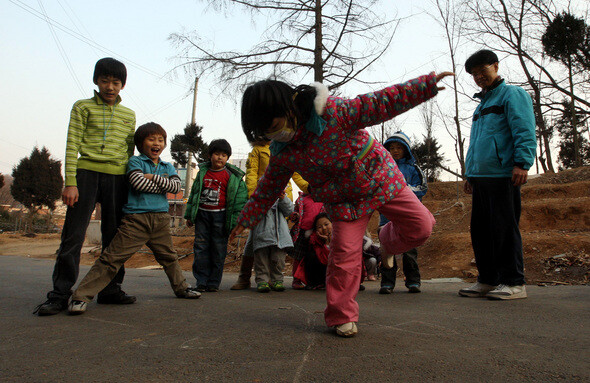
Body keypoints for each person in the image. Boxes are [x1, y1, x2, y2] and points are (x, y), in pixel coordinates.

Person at [231, 70, 453, 337]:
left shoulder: (331, 111)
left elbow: (378, 103)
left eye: (275, 124)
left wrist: (423, 87)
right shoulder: (283, 152)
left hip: (379, 178)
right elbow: (267, 188)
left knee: (422, 226)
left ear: (289, 105)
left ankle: (387, 242)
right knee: (343, 256)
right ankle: (341, 315)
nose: (274, 134)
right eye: (267, 131)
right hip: (343, 200)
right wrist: (246, 219)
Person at [34, 58, 137, 316]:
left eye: (115, 82)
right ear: (96, 81)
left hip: (117, 178)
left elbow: (128, 151)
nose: (110, 87)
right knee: (73, 236)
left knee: (114, 238)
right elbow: (72, 144)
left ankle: (110, 289)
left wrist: (130, 185)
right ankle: (59, 294)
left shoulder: (129, 115)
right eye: (105, 81)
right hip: (86, 175)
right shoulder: (82, 107)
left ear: (122, 85)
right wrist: (70, 182)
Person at [68, 123, 201, 314]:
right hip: (136, 220)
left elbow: (175, 189)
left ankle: (182, 288)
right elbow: (139, 184)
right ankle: (80, 297)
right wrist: (162, 184)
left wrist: (152, 178)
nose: (157, 143)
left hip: (161, 219)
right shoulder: (135, 163)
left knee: (169, 257)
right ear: (141, 143)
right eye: (151, 139)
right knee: (111, 259)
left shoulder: (167, 166)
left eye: (160, 140)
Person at [458, 50, 536, 300]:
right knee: (480, 230)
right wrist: (470, 173)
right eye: (474, 74)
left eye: (483, 70)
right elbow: (475, 143)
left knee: (504, 228)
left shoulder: (512, 95)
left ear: (496, 66)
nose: (479, 76)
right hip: (480, 177)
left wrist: (522, 163)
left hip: (504, 174)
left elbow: (524, 128)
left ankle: (514, 282)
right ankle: (488, 279)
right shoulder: (481, 106)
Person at [230, 140, 308, 290]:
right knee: (255, 242)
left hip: (281, 198)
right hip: (262, 198)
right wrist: (255, 199)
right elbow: (251, 173)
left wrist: (309, 187)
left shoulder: (287, 148)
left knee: (276, 240)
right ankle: (246, 278)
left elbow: (297, 174)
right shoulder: (258, 150)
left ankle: (272, 279)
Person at [184, 139, 248, 292]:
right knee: (200, 248)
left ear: (227, 158)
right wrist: (189, 215)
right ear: (209, 155)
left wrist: (235, 222)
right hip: (202, 216)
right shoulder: (202, 173)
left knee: (218, 250)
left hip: (221, 217)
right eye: (217, 154)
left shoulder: (233, 177)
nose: (220, 157)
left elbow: (240, 202)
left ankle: (213, 283)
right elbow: (194, 195)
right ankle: (201, 281)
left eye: (224, 155)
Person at [379, 131, 427, 294]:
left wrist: (402, 190)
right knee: (387, 250)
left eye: (399, 147)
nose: (395, 151)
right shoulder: (383, 168)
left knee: (409, 251)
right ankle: (387, 283)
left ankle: (413, 281)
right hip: (387, 217)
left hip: (408, 218)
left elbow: (422, 188)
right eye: (392, 148)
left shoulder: (414, 169)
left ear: (406, 149)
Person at [251, 191, 294, 292]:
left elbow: (289, 210)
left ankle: (277, 280)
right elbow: (252, 212)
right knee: (261, 260)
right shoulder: (258, 198)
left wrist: (283, 198)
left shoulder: (281, 198)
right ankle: (262, 281)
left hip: (280, 236)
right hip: (262, 234)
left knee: (278, 260)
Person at [288, 191, 324, 289]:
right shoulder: (302, 199)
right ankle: (296, 280)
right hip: (301, 232)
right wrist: (294, 216)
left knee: (315, 258)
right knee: (298, 257)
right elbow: (294, 212)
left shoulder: (323, 200)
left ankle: (314, 281)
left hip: (316, 233)